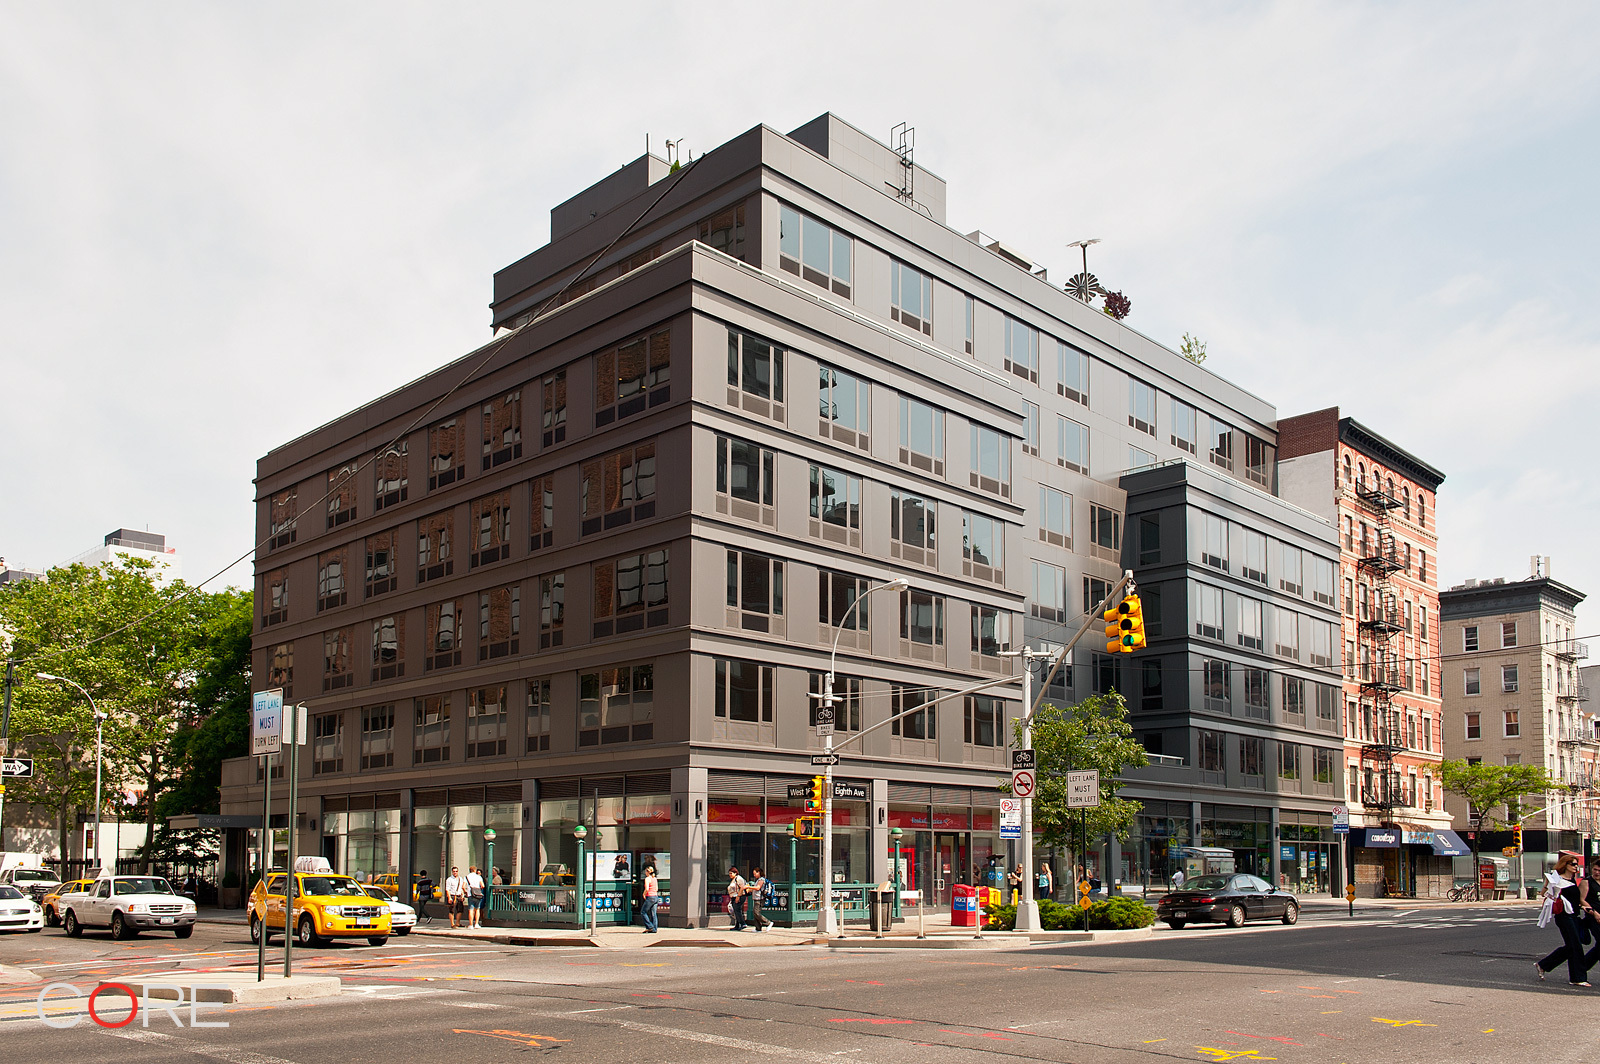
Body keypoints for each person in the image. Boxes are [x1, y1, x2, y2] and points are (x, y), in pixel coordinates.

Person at [1536, 852, 1590, 986]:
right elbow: (1544, 894)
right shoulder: (1557, 880)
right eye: (1573, 864)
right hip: (1564, 916)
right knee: (1576, 946)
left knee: (1572, 946)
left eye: (1576, 864)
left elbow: (1574, 899)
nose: (1576, 867)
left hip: (1574, 915)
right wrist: (1547, 885)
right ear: (1565, 865)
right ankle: (1578, 978)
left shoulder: (1572, 880)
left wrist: (1584, 906)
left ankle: (1544, 965)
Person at [640, 862, 660, 933]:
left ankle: (650, 926)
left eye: (646, 871)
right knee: (653, 914)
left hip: (650, 896)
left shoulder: (647, 879)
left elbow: (647, 888)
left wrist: (644, 894)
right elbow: (656, 888)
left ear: (647, 872)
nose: (645, 873)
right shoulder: (655, 878)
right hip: (655, 896)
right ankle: (654, 929)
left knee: (643, 912)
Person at [727, 865, 749, 931]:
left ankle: (743, 923)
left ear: (735, 873)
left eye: (731, 873)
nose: (730, 875)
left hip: (739, 896)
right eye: (729, 873)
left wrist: (738, 896)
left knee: (737, 910)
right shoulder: (733, 880)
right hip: (734, 897)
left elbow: (742, 888)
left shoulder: (738, 879)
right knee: (736, 910)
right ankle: (737, 925)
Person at [747, 866, 768, 931]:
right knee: (755, 913)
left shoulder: (761, 879)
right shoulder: (758, 880)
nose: (754, 875)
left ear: (758, 872)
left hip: (759, 898)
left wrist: (749, 887)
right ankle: (758, 928)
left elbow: (758, 888)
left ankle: (768, 922)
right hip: (756, 898)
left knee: (756, 912)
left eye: (755, 873)